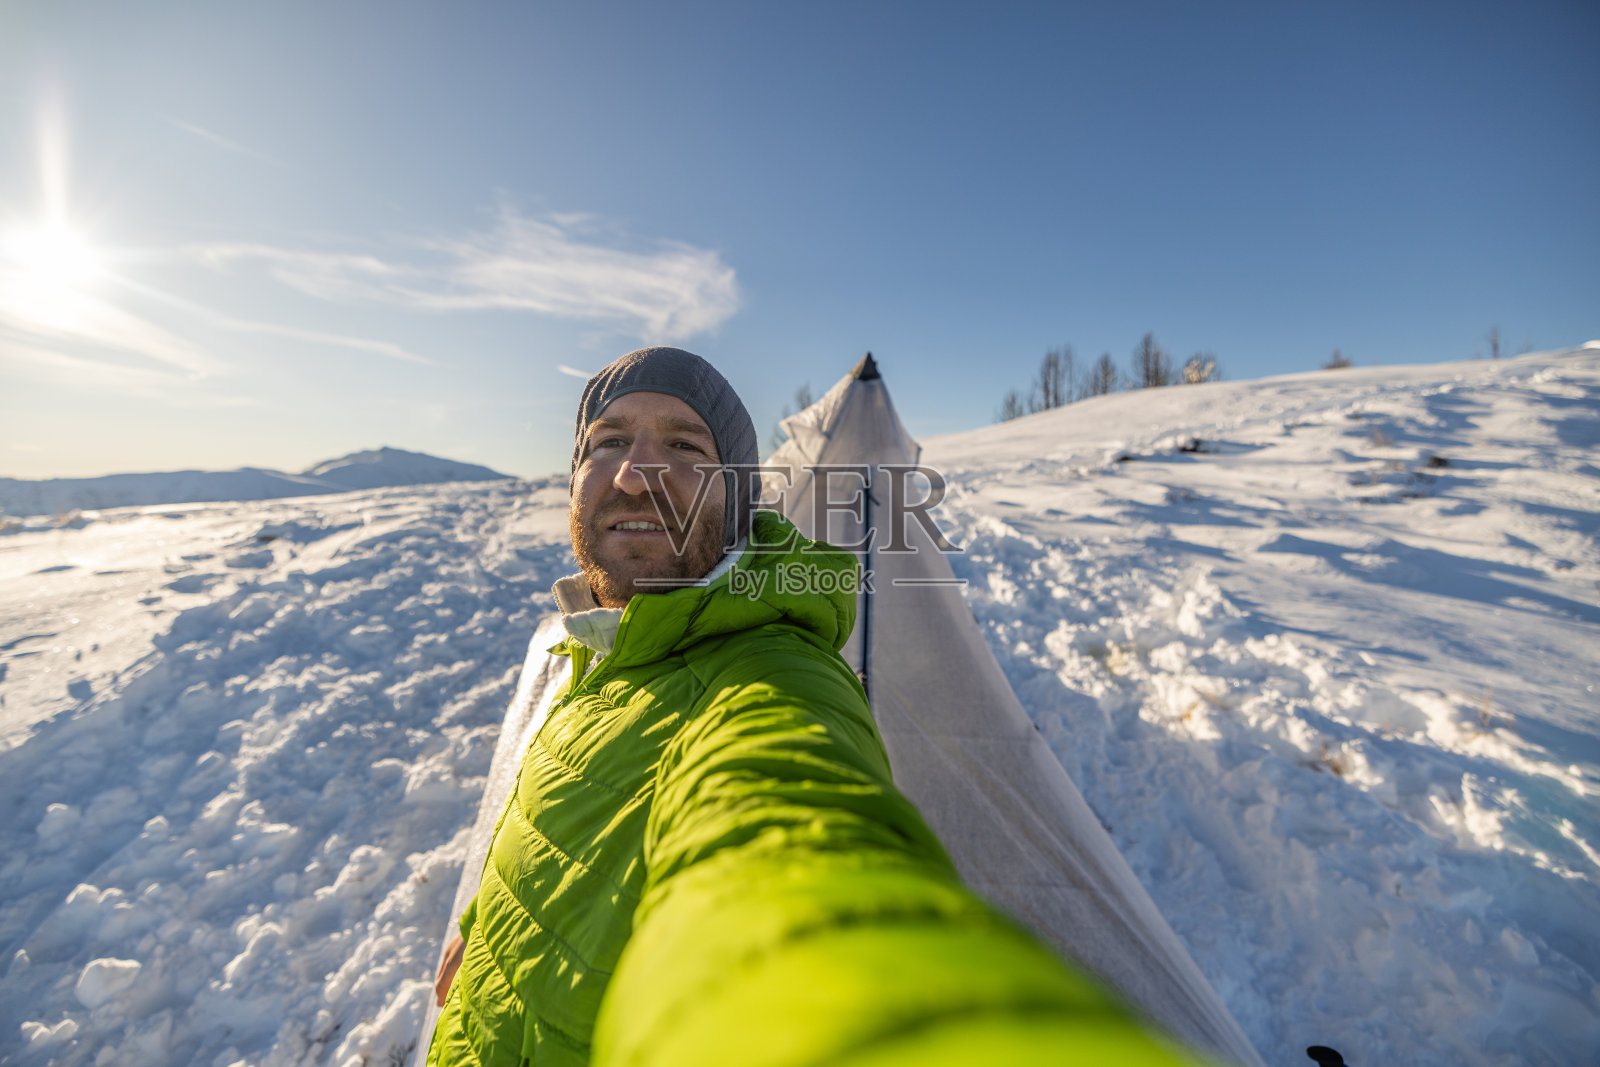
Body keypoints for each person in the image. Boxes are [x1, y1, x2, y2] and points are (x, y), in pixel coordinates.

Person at [426, 347, 1197, 1067]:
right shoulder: (597, 646)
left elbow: (779, 844)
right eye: (607, 442)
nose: (637, 475)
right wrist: (488, 922)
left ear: (739, 496)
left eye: (686, 449)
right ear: (572, 479)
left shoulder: (770, 678)